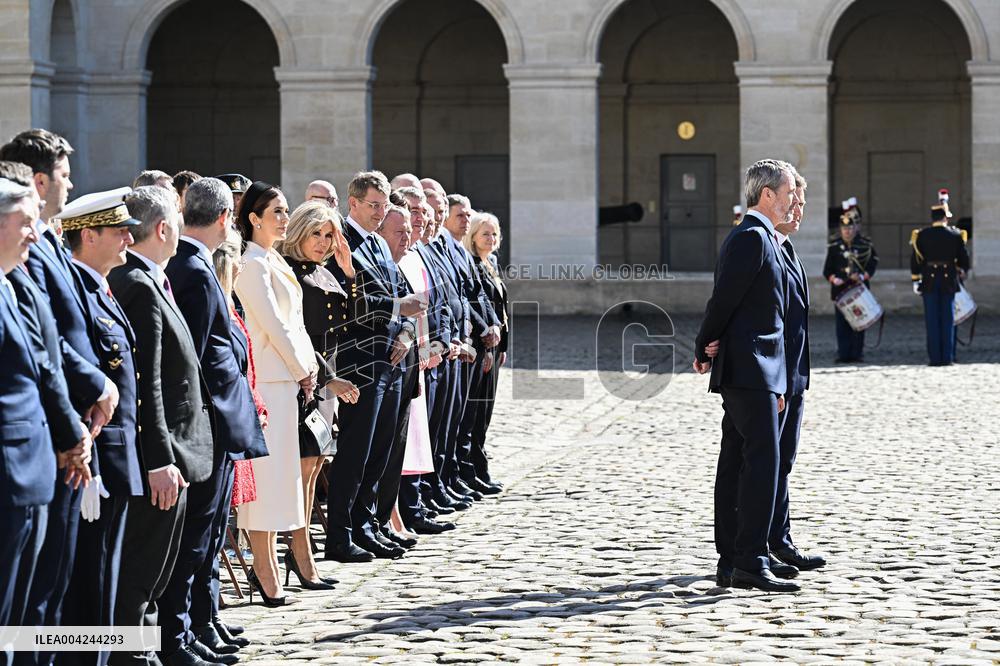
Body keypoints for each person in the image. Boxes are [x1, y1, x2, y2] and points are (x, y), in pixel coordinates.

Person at [2, 134, 115, 661]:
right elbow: (45, 356)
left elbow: (52, 339)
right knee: (31, 601)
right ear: (40, 180)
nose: (71, 183)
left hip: (62, 435)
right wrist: (76, 417)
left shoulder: (42, 245)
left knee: (49, 591)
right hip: (45, 442)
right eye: (65, 174)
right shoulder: (23, 261)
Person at [107, 186, 215, 666]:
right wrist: (160, 458)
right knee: (141, 572)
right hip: (162, 454)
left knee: (160, 569)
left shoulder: (152, 279)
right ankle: (135, 656)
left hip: (178, 449)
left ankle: (147, 653)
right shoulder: (137, 284)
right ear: (164, 228)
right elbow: (145, 381)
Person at [161, 177, 267, 666]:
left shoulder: (195, 264)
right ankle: (181, 634)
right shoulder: (195, 270)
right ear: (226, 218)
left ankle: (203, 620)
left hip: (218, 421)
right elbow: (197, 359)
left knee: (208, 534)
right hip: (208, 423)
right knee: (197, 536)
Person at [693, 159, 798, 593]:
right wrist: (704, 343)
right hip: (749, 366)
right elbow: (724, 299)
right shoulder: (751, 237)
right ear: (767, 194)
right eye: (789, 192)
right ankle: (750, 558)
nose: (793, 199)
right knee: (762, 461)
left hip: (758, 366)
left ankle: (733, 557)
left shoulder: (766, 238)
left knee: (738, 459)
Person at [61, 188, 146, 666]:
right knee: (89, 588)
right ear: (87, 235)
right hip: (94, 457)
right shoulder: (77, 290)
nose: (127, 241)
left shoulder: (99, 288)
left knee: (105, 580)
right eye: (118, 232)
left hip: (116, 455)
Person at [323, 171, 424, 563]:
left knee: (380, 449)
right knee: (355, 452)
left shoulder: (379, 246)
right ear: (353, 203)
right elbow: (352, 304)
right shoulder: (341, 243)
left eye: (384, 206)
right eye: (374, 206)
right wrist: (399, 309)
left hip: (390, 357)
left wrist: (403, 332)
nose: (381, 213)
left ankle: (367, 525)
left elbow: (399, 292)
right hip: (357, 360)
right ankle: (341, 534)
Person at [234, 182, 320, 604]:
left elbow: (296, 324)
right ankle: (263, 566)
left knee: (281, 476)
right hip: (268, 379)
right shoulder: (251, 263)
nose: (286, 218)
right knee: (266, 478)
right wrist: (302, 368)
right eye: (278, 211)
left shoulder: (273, 259)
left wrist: (308, 369)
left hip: (287, 379)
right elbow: (271, 323)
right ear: (254, 218)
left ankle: (268, 563)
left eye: (287, 211)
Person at [276, 200, 362, 587]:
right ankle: (298, 551)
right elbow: (299, 334)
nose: (324, 242)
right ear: (299, 231)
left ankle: (303, 550)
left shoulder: (325, 273)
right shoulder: (290, 271)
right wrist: (330, 379)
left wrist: (348, 273)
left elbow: (350, 324)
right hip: (303, 380)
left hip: (323, 384)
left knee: (312, 470)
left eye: (330, 235)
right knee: (302, 470)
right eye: (317, 233)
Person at [0, 178, 57, 635]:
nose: (34, 235)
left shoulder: (9, 285)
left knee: (26, 613)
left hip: (30, 472)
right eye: (24, 224)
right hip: (10, 472)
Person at [763, 170, 825, 574]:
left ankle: (778, 538)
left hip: (796, 374)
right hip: (778, 374)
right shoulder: (764, 246)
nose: (799, 208)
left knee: (784, 461)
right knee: (767, 462)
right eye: (794, 200)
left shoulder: (787, 248)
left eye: (801, 202)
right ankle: (763, 542)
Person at [463, 212, 507, 494]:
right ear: (474, 237)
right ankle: (474, 470)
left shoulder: (491, 263)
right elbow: (477, 306)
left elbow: (500, 309)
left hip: (495, 347)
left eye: (494, 234)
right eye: (485, 234)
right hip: (481, 347)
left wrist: (503, 347)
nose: (490, 239)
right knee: (475, 413)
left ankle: (480, 467)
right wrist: (489, 347)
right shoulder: (473, 265)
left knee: (486, 412)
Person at [910, 201, 970, 366]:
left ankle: (935, 358)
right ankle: (947, 357)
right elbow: (964, 258)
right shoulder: (956, 235)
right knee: (948, 319)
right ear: (945, 217)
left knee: (932, 320)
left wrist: (916, 279)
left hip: (929, 279)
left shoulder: (921, 235)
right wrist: (962, 270)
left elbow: (915, 260)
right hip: (948, 279)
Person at [822, 200, 878, 363]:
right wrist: (834, 279)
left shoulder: (865, 245)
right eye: (844, 228)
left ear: (855, 228)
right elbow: (827, 270)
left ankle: (857, 353)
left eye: (850, 228)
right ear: (840, 229)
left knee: (859, 321)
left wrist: (862, 276)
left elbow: (872, 264)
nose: (847, 231)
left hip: (858, 288)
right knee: (842, 324)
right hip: (841, 290)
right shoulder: (834, 246)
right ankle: (843, 353)